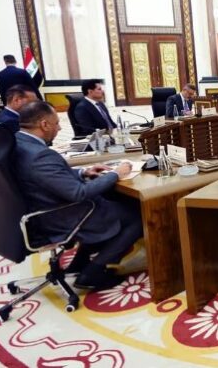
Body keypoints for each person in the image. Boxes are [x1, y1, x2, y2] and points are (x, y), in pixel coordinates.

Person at [15, 101, 143, 290]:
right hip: (61, 215)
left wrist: (83, 172)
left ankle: (79, 262)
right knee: (137, 216)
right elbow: (78, 193)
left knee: (114, 200)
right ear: (44, 124)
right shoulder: (39, 155)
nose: (59, 128)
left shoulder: (18, 143)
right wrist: (116, 174)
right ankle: (93, 272)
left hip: (41, 208)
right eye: (57, 123)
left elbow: (49, 176)